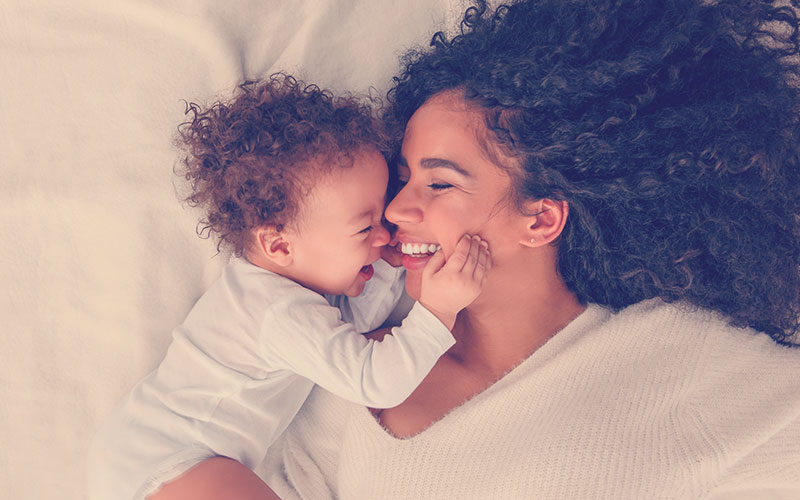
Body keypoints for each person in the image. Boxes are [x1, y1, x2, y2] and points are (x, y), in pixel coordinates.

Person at [253, 1, 800, 498]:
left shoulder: (677, 357)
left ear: (540, 218)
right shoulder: (355, 361)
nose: (396, 211)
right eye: (403, 180)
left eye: (438, 184)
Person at [87, 73, 492, 500]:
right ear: (279, 243)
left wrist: (392, 264)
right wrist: (439, 311)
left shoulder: (285, 285)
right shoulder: (278, 311)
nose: (385, 232)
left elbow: (349, 332)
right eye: (364, 228)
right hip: (171, 461)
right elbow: (374, 378)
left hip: (152, 454)